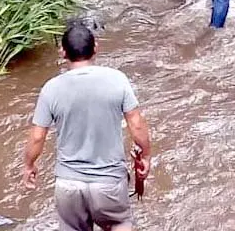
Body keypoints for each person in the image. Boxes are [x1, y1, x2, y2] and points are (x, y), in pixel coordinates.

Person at [23, 24, 151, 231]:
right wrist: (145, 156)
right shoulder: (117, 80)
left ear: (63, 52)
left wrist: (29, 165)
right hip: (109, 182)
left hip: (69, 185)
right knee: (119, 224)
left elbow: (37, 137)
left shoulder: (50, 89)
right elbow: (136, 125)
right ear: (96, 48)